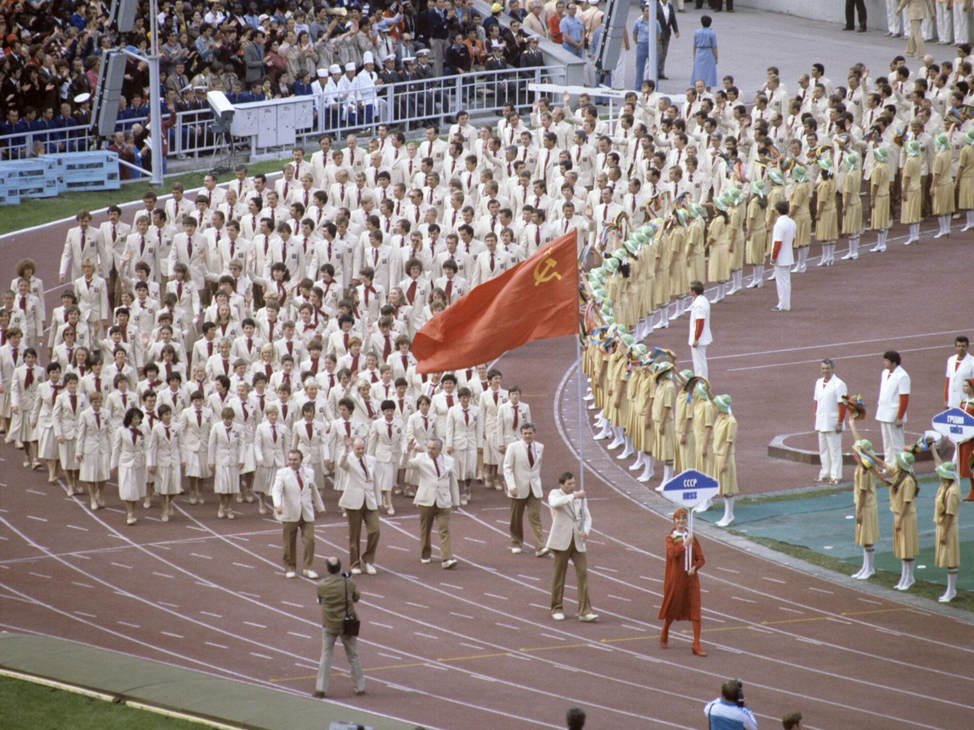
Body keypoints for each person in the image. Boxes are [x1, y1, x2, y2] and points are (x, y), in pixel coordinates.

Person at [547, 472, 598, 622]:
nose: (572, 487)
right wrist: (574, 496)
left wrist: (586, 531)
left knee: (583, 573)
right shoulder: (555, 494)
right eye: (569, 484)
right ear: (562, 484)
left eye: (573, 483)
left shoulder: (580, 497)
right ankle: (556, 607)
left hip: (577, 541)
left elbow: (587, 517)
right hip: (561, 540)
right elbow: (555, 504)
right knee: (559, 574)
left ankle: (584, 611)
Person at [312, 557, 365, 698]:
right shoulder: (348, 583)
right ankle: (359, 687)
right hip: (346, 624)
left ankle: (321, 688)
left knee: (326, 655)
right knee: (353, 655)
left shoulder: (321, 585)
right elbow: (356, 598)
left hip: (329, 625)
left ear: (327, 569)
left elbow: (320, 600)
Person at [271, 449, 326, 579]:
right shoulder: (282, 474)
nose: (292, 462)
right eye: (290, 459)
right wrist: (278, 505)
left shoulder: (309, 473)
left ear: (300, 460)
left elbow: (314, 491)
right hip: (290, 511)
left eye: (295, 460)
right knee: (289, 541)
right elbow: (276, 490)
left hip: (306, 512)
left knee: (309, 540)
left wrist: (320, 507)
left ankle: (308, 567)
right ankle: (290, 567)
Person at [659, 508, 706, 656]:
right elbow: (672, 553)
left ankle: (696, 643)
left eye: (683, 518)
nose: (681, 521)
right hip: (676, 579)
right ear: (674, 521)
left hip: (691, 579)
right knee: (673, 606)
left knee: (695, 609)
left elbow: (701, 559)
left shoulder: (691, 537)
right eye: (678, 518)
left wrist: (695, 567)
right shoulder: (670, 538)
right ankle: (665, 630)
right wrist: (685, 543)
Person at [408, 435, 460, 569]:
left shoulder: (449, 461)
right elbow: (405, 464)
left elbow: (453, 480)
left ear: (440, 450)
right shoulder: (421, 459)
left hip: (443, 499)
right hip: (426, 499)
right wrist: (407, 451)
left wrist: (456, 500)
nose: (430, 451)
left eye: (433, 449)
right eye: (428, 448)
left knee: (444, 530)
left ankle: (446, 558)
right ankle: (426, 553)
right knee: (426, 529)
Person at [503, 422, 549, 556]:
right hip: (518, 487)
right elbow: (507, 468)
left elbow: (537, 466)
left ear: (534, 434)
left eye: (530, 433)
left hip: (534, 487)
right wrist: (511, 486)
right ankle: (516, 542)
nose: (528, 436)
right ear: (521, 434)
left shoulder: (540, 447)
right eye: (525, 433)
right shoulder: (513, 447)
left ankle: (540, 546)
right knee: (516, 518)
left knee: (535, 516)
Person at [338, 436, 381, 576]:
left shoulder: (371, 460)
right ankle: (355, 562)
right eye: (358, 449)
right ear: (352, 448)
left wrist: (378, 501)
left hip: (369, 500)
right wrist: (345, 450)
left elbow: (375, 482)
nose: (361, 451)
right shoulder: (348, 459)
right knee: (354, 534)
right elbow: (341, 463)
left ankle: (367, 560)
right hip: (354, 500)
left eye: (362, 448)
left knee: (375, 530)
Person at [847, 418, 881, 580]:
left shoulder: (864, 470)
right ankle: (865, 566)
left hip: (866, 506)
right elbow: (858, 441)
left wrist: (858, 511)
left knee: (867, 538)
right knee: (864, 538)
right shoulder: (867, 463)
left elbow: (862, 493)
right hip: (867, 505)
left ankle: (870, 568)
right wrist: (852, 425)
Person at [884, 450, 919, 591]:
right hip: (899, 515)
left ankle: (909, 577)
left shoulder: (908, 481)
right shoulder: (898, 474)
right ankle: (905, 576)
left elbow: (907, 502)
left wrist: (900, 520)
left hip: (906, 516)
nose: (895, 462)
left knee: (907, 547)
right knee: (902, 548)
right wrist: (869, 455)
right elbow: (884, 466)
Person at [930, 447, 960, 602]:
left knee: (951, 558)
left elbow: (950, 513)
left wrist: (944, 533)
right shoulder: (945, 485)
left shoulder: (952, 491)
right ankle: (950, 589)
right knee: (947, 558)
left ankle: (951, 590)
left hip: (949, 527)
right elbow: (939, 464)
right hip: (942, 525)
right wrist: (933, 450)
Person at [110, 407, 148, 525]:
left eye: (139, 418)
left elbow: (147, 447)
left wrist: (149, 462)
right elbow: (116, 448)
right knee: (127, 488)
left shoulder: (144, 430)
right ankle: (129, 513)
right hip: (125, 462)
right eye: (135, 418)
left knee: (135, 488)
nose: (137, 421)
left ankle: (132, 512)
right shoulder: (121, 430)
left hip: (138, 462)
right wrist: (113, 464)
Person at [814, 359, 847, 484]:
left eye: (827, 368)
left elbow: (843, 404)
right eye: (823, 368)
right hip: (821, 421)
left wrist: (839, 422)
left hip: (833, 422)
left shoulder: (839, 384)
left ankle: (836, 475)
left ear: (833, 369)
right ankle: (825, 473)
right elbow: (816, 401)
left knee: (834, 450)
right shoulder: (818, 382)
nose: (825, 371)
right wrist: (815, 417)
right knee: (823, 449)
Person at [876, 350, 910, 464]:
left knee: (897, 443)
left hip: (894, 414)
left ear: (894, 363)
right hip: (883, 412)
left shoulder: (902, 376)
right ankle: (889, 465)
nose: (884, 363)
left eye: (886, 361)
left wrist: (899, 416)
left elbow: (904, 398)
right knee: (887, 442)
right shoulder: (884, 373)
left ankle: (900, 466)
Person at [770, 201, 795, 312]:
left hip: (781, 257)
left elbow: (777, 243)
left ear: (778, 211)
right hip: (788, 254)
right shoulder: (792, 222)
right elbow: (793, 240)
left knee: (781, 283)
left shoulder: (779, 224)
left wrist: (773, 257)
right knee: (786, 281)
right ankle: (785, 303)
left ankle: (783, 304)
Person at [687, 281, 712, 378]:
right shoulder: (701, 300)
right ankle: (701, 381)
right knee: (700, 362)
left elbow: (699, 322)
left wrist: (696, 338)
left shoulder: (699, 304)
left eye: (689, 289)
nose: (688, 291)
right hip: (700, 337)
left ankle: (701, 383)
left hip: (699, 338)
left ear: (694, 291)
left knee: (699, 364)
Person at [945, 336, 974, 409]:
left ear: (967, 347)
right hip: (952, 401)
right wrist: (946, 399)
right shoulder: (951, 360)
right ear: (955, 347)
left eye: (963, 346)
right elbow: (948, 381)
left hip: (966, 402)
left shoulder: (972, 362)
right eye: (959, 346)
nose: (961, 348)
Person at [690, 15, 718, 92]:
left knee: (698, 72)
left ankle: (697, 89)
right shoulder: (712, 33)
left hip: (699, 52)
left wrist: (694, 55)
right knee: (709, 72)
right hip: (708, 52)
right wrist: (716, 57)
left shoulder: (697, 32)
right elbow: (714, 46)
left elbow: (694, 45)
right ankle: (708, 90)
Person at [656, 0, 680, 81]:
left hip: (666, 34)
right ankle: (654, 72)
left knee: (664, 53)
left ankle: (661, 72)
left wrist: (676, 30)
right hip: (657, 34)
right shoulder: (656, 6)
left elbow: (673, 19)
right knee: (658, 53)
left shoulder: (670, 6)